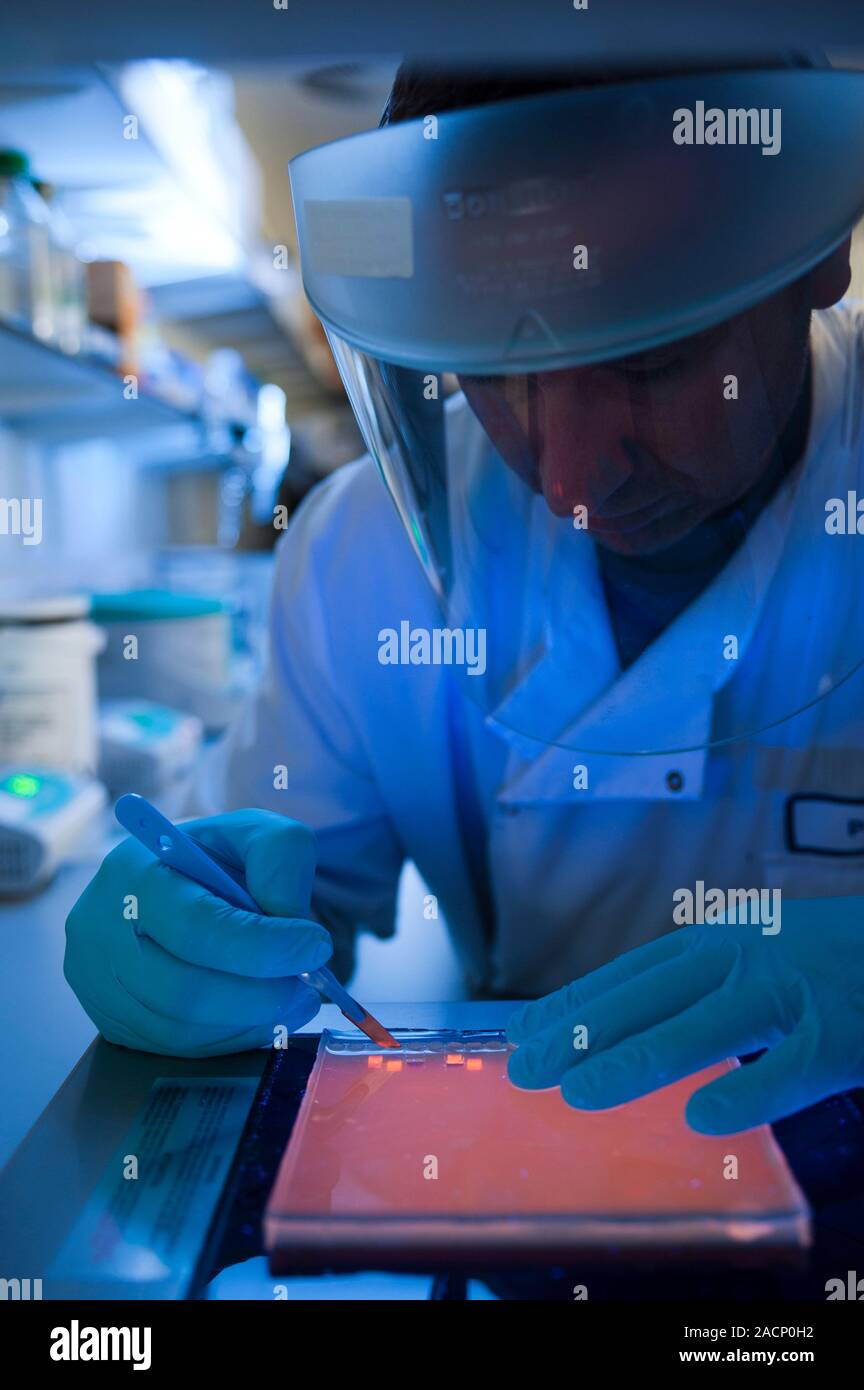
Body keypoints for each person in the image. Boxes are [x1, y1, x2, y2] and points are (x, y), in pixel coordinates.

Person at [65, 57, 864, 1135]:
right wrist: (185, 943)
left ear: (818, 249)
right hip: (524, 1146)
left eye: (654, 363)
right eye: (497, 370)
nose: (574, 481)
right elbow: (288, 896)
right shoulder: (364, 552)